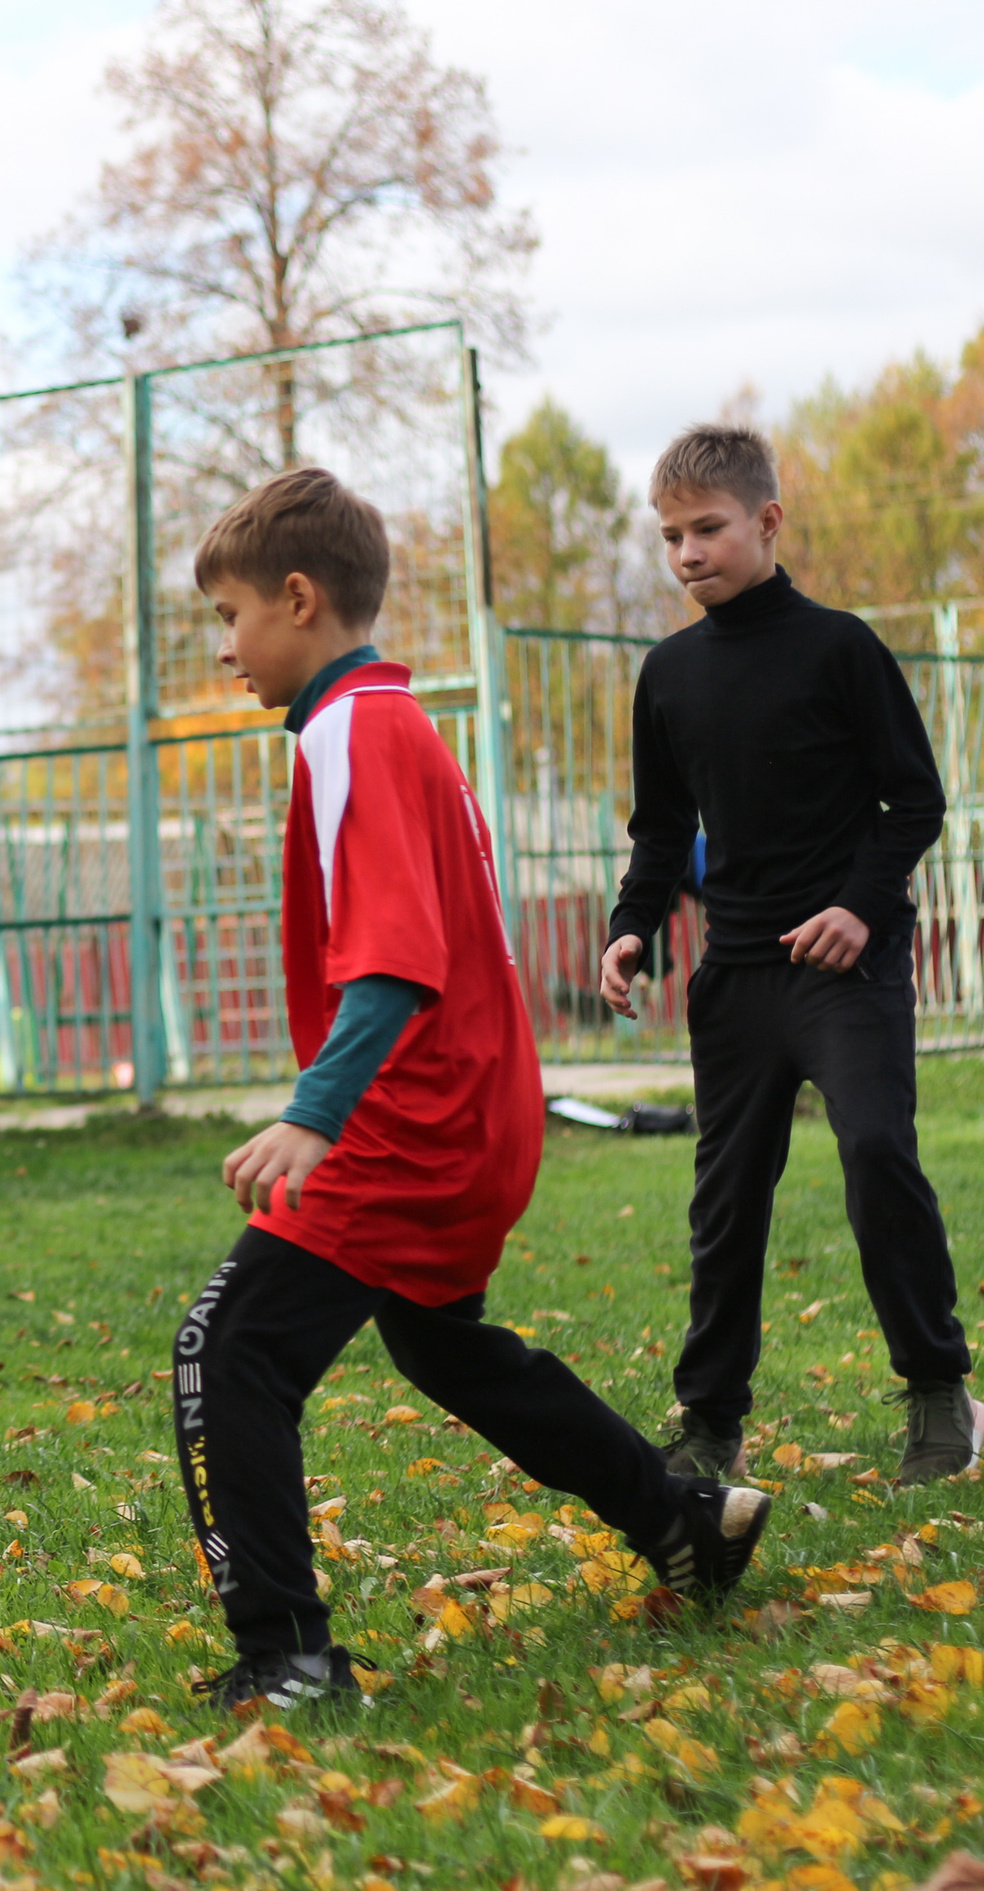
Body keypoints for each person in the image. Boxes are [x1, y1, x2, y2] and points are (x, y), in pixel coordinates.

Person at [171, 468, 772, 1715]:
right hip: (469, 1116)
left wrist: (312, 1113)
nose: (223, 647)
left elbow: (392, 964)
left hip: (408, 1125)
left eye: (227, 616)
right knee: (439, 1346)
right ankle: (681, 1519)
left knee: (227, 1352)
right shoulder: (382, 722)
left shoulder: (355, 733)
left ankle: (288, 1656)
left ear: (299, 598)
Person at [601, 423, 977, 1486]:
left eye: (707, 528)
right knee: (726, 1204)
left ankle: (938, 1393)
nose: (686, 553)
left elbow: (916, 798)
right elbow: (661, 829)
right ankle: (710, 1424)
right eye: (670, 535)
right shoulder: (666, 674)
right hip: (735, 982)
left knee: (873, 1151)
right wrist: (632, 925)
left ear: (767, 521)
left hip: (842, 974)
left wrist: (860, 908)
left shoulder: (840, 647)